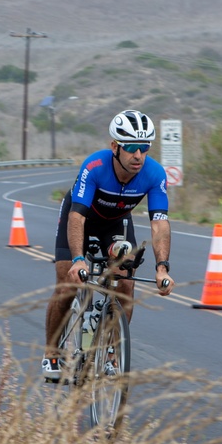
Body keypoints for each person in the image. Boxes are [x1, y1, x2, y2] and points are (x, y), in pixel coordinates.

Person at [42, 109, 175, 381]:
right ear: (115, 146)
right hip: (82, 217)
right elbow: (77, 216)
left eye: (145, 147)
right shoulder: (95, 166)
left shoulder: (154, 174)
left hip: (115, 222)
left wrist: (162, 267)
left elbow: (159, 223)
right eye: (132, 148)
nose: (139, 155)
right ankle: (52, 353)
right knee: (68, 285)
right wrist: (78, 259)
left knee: (126, 284)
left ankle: (113, 356)